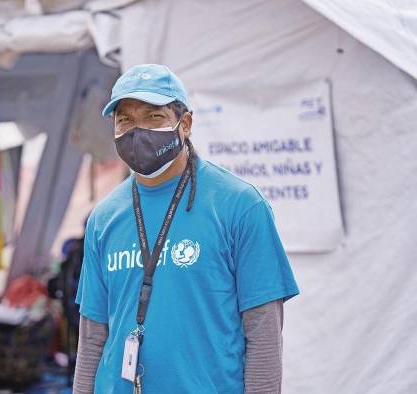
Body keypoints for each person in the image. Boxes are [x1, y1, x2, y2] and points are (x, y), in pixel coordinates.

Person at [73, 64, 299, 394]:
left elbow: (263, 333)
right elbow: (92, 337)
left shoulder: (240, 206)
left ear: (186, 124)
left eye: (154, 117)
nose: (138, 131)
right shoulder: (103, 217)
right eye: (125, 120)